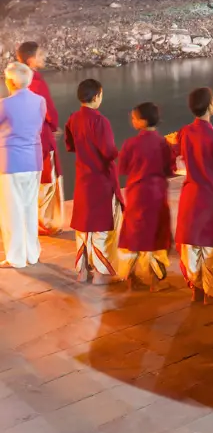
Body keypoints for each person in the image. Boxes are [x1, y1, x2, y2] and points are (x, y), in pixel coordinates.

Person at [173, 88, 213, 303]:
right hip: (211, 197)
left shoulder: (184, 132)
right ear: (210, 106)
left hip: (190, 195)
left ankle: (196, 288)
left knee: (193, 244)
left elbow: (174, 154)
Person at [66, 79, 122, 284]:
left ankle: (82, 271)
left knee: (83, 226)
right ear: (97, 96)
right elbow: (109, 152)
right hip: (101, 179)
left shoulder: (73, 119)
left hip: (82, 178)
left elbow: (70, 145)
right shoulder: (100, 121)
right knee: (101, 226)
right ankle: (100, 274)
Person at [118, 102, 174, 291]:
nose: (132, 121)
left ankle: (130, 277)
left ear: (142, 121)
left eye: (134, 118)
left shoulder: (130, 144)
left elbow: (123, 168)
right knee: (157, 236)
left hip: (135, 195)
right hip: (157, 195)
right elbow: (169, 169)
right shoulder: (163, 143)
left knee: (132, 235)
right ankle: (156, 281)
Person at [0, 63, 45, 269]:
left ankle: (16, 257)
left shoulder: (5, 104)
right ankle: (32, 253)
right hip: (34, 160)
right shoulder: (39, 101)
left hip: (11, 162)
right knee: (29, 208)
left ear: (10, 81)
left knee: (12, 210)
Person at [17, 42, 63, 237]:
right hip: (41, 134)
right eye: (40, 54)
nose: (44, 57)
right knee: (47, 176)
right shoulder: (35, 79)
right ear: (30, 60)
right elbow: (47, 108)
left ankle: (32, 219)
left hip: (26, 135)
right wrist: (53, 126)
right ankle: (46, 222)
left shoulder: (17, 79)